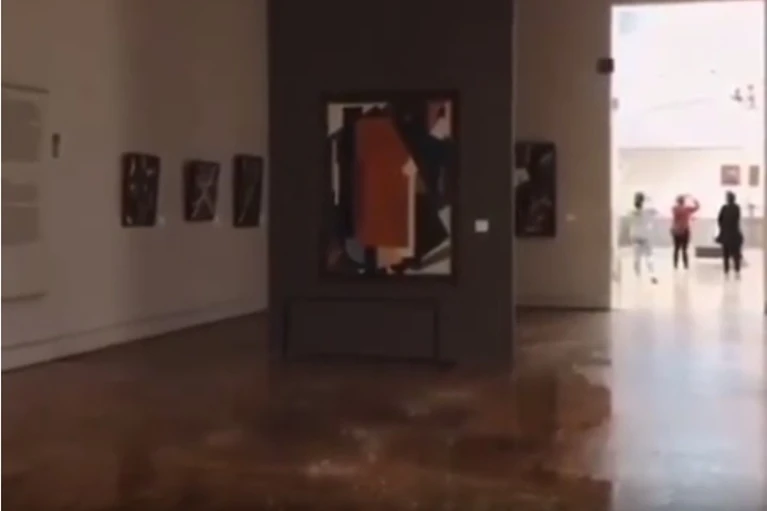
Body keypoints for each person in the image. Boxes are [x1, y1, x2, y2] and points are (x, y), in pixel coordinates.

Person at [628, 191, 657, 284]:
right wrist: (649, 199)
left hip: (635, 236)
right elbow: (655, 210)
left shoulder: (631, 212)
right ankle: (651, 274)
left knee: (637, 258)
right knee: (649, 257)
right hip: (644, 236)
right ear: (643, 202)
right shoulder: (648, 212)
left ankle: (638, 277)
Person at [716, 191, 744, 279]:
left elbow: (719, 220)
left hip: (726, 235)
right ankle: (737, 270)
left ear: (727, 199)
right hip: (735, 234)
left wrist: (722, 228)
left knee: (726, 254)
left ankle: (726, 271)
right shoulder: (737, 208)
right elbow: (737, 218)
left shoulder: (724, 208)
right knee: (736, 254)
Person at [670, 194, 700, 270]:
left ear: (677, 201)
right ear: (683, 201)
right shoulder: (687, 209)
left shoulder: (674, 209)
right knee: (684, 249)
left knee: (676, 248)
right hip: (685, 230)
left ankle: (675, 265)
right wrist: (694, 200)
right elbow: (697, 207)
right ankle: (685, 265)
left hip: (676, 230)